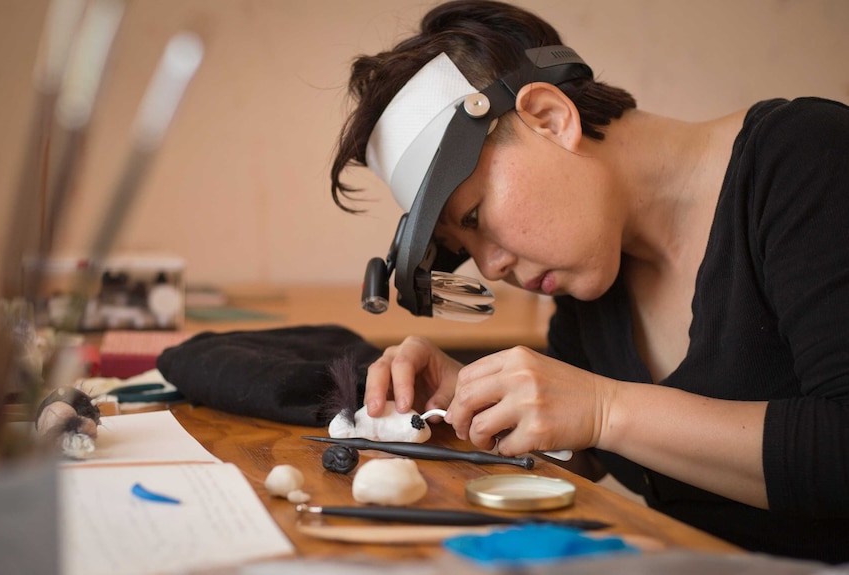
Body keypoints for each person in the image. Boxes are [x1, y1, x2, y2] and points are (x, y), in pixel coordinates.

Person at [329, 0, 849, 563]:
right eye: (465, 247)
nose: (492, 268)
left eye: (475, 217)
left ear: (551, 117)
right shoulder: (590, 279)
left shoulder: (807, 158)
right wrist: (472, 406)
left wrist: (606, 408)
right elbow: (589, 454)